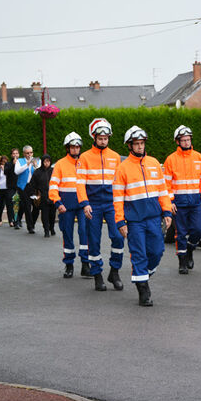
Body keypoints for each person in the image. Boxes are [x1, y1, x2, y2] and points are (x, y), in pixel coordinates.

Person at [113, 126, 172, 306]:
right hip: (134, 221)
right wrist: (120, 221)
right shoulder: (122, 168)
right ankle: (143, 290)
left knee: (157, 251)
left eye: (142, 143)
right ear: (129, 146)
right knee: (138, 254)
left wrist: (167, 210)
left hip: (154, 218)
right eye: (136, 144)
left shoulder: (154, 163)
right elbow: (117, 197)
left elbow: (162, 190)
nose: (140, 147)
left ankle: (143, 274)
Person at [76, 118, 124, 292]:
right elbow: (80, 183)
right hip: (93, 204)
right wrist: (85, 203)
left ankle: (115, 271)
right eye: (100, 138)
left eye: (106, 138)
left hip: (112, 203)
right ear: (94, 138)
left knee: (118, 237)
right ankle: (97, 275)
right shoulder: (85, 157)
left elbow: (120, 182)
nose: (103, 141)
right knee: (94, 241)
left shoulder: (116, 157)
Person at [163, 125, 201, 274]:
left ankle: (190, 249)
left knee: (198, 230)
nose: (187, 142)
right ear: (178, 142)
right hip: (179, 202)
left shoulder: (198, 157)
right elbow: (166, 183)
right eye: (184, 140)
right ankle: (182, 261)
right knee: (180, 233)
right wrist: (170, 201)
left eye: (188, 140)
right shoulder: (171, 160)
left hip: (195, 201)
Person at [49, 132, 91, 278]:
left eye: (77, 147)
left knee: (85, 233)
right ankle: (69, 265)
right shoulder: (60, 164)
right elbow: (53, 186)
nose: (75, 150)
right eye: (72, 147)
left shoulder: (84, 162)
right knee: (67, 235)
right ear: (67, 148)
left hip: (82, 205)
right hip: (65, 206)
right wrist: (57, 202)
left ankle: (86, 265)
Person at [15, 145, 40, 234]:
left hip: (34, 187)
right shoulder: (20, 161)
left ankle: (32, 222)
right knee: (27, 206)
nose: (29, 155)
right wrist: (27, 164)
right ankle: (30, 227)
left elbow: (40, 173)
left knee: (36, 206)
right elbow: (17, 171)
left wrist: (36, 166)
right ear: (24, 154)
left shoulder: (37, 160)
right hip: (23, 186)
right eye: (27, 153)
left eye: (31, 153)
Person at [29, 154, 56, 237]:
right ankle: (46, 230)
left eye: (48, 161)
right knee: (44, 214)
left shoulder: (54, 171)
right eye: (45, 161)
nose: (46, 163)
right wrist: (34, 194)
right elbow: (32, 184)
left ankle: (51, 227)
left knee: (52, 214)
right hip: (42, 196)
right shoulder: (37, 172)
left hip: (53, 195)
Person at [0, 155, 14, 227]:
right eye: (2, 162)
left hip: (7, 188)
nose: (3, 164)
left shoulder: (8, 169)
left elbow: (11, 176)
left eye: (5, 162)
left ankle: (10, 221)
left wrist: (4, 169)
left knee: (9, 205)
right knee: (0, 205)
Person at [5, 148, 20, 228]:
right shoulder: (8, 164)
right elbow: (5, 172)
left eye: (16, 153)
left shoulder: (21, 162)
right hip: (11, 187)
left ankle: (17, 220)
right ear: (11, 155)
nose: (15, 155)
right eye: (13, 153)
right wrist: (13, 165)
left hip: (19, 187)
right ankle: (13, 220)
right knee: (12, 204)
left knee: (19, 204)